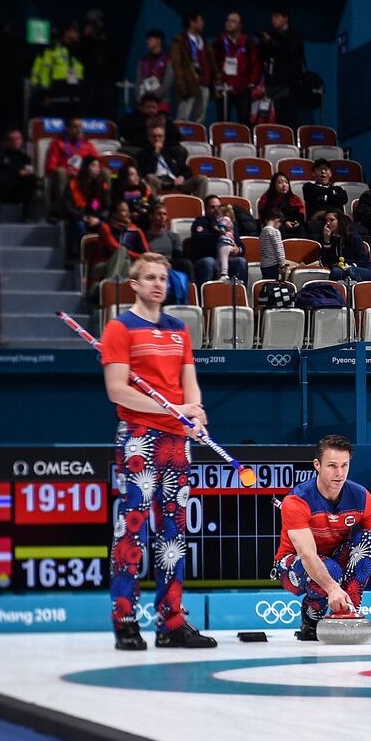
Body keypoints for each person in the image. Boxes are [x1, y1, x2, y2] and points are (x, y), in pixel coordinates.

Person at [101, 252, 218, 650]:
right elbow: (117, 390)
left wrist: (195, 415)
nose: (157, 284)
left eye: (163, 278)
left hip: (177, 440)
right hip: (139, 436)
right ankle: (125, 618)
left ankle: (171, 622)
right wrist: (174, 409)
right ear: (134, 284)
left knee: (173, 534)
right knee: (131, 527)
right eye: (149, 277)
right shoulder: (120, 327)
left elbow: (190, 381)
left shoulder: (178, 329)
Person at [274, 435, 371, 640]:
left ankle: (348, 609)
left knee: (369, 539)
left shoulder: (361, 497)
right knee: (329, 569)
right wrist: (333, 588)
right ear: (317, 465)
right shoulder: (298, 500)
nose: (339, 473)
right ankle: (312, 614)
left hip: (334, 562)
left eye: (344, 466)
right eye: (332, 466)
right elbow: (307, 554)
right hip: (294, 566)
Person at [260, 8, 308, 127]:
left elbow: (289, 51)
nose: (273, 21)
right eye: (272, 18)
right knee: (274, 121)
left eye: (276, 17)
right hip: (274, 85)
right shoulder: (273, 36)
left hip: (290, 86)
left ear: (285, 18)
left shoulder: (295, 35)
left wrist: (271, 42)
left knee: (290, 120)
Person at [212, 12, 262, 124]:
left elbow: (256, 64)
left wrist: (252, 83)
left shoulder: (248, 41)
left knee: (244, 119)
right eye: (228, 20)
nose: (229, 23)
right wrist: (217, 80)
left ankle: (244, 141)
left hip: (243, 88)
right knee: (222, 120)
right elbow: (213, 62)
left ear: (240, 26)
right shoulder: (220, 41)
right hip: (224, 87)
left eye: (233, 21)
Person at [43, 118, 97, 221]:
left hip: (84, 177)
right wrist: (68, 172)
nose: (79, 130)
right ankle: (59, 211)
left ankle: (99, 209)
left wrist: (82, 173)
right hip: (66, 178)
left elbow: (98, 163)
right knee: (60, 172)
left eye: (80, 127)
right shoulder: (57, 144)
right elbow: (50, 167)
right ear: (67, 129)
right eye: (75, 127)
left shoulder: (87, 145)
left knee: (105, 173)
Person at [137, 124, 208, 198]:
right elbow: (146, 173)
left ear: (164, 137)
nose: (157, 139)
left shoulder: (171, 151)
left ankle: (199, 206)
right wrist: (155, 153)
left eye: (160, 136)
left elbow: (187, 170)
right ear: (148, 137)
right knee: (150, 177)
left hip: (175, 182)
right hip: (159, 183)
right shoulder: (143, 153)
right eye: (154, 136)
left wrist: (182, 177)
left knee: (202, 179)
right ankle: (156, 206)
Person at [190, 195, 248, 285]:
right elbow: (201, 242)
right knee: (208, 262)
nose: (216, 210)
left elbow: (241, 246)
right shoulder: (200, 222)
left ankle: (240, 295)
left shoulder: (229, 224)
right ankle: (204, 296)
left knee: (241, 261)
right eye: (212, 207)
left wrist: (238, 250)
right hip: (209, 258)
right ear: (206, 209)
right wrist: (219, 233)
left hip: (228, 259)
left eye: (218, 207)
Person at [29, 22, 85, 115]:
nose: (77, 34)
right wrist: (45, 94)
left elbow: (77, 72)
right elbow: (45, 72)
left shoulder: (78, 50)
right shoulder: (53, 49)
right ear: (67, 33)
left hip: (74, 91)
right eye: (74, 31)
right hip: (57, 90)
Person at [0, 128, 37, 222]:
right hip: (1, 191)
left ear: (21, 141)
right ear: (6, 141)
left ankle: (27, 216)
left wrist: (13, 173)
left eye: (17, 139)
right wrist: (17, 173)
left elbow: (28, 171)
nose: (15, 141)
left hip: (17, 191)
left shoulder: (25, 158)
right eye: (12, 139)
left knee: (31, 179)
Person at [171, 11, 212, 124]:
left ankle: (197, 140)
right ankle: (180, 140)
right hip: (188, 83)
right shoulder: (179, 41)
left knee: (200, 119)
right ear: (192, 22)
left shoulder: (203, 40)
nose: (203, 23)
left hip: (203, 83)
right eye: (200, 21)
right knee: (183, 117)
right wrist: (181, 84)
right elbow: (176, 64)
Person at [319, 210, 371, 282]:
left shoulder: (353, 237)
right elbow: (327, 261)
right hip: (340, 269)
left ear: (339, 221)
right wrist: (326, 240)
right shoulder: (328, 238)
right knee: (336, 272)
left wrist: (351, 266)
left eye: (332, 220)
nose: (327, 223)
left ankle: (356, 287)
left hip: (361, 269)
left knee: (348, 271)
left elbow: (363, 259)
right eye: (326, 220)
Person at [258, 172, 306, 237]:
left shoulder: (295, 199)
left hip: (294, 228)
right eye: (280, 182)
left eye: (286, 182)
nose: (284, 185)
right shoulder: (266, 199)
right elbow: (265, 217)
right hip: (276, 228)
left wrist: (296, 223)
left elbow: (300, 218)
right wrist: (284, 223)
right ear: (274, 185)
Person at [136, 30, 174, 109]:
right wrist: (140, 98)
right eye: (147, 40)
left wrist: (154, 97)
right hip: (144, 103)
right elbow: (138, 81)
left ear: (158, 40)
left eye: (150, 39)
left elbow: (168, 81)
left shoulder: (167, 60)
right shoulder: (143, 61)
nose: (147, 42)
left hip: (161, 103)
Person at [303, 158, 349, 223]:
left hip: (338, 222)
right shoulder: (308, 187)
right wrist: (333, 193)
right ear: (313, 173)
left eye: (326, 169)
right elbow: (316, 191)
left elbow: (344, 199)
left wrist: (324, 198)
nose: (323, 171)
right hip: (317, 222)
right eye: (319, 169)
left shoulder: (337, 189)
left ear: (330, 173)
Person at [260, 208, 294, 282]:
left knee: (266, 283)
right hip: (273, 265)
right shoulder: (275, 231)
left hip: (264, 265)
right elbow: (279, 249)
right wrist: (282, 265)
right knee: (274, 286)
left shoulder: (263, 231)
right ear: (277, 220)